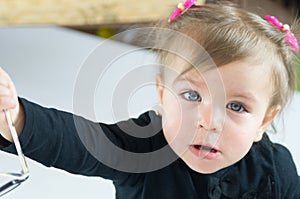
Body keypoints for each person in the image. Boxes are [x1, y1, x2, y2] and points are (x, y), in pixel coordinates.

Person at [0, 2, 300, 198]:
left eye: (236, 106)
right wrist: (17, 118)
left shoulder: (276, 170)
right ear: (161, 95)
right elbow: (81, 143)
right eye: (191, 95)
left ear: (264, 120)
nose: (208, 122)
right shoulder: (144, 149)